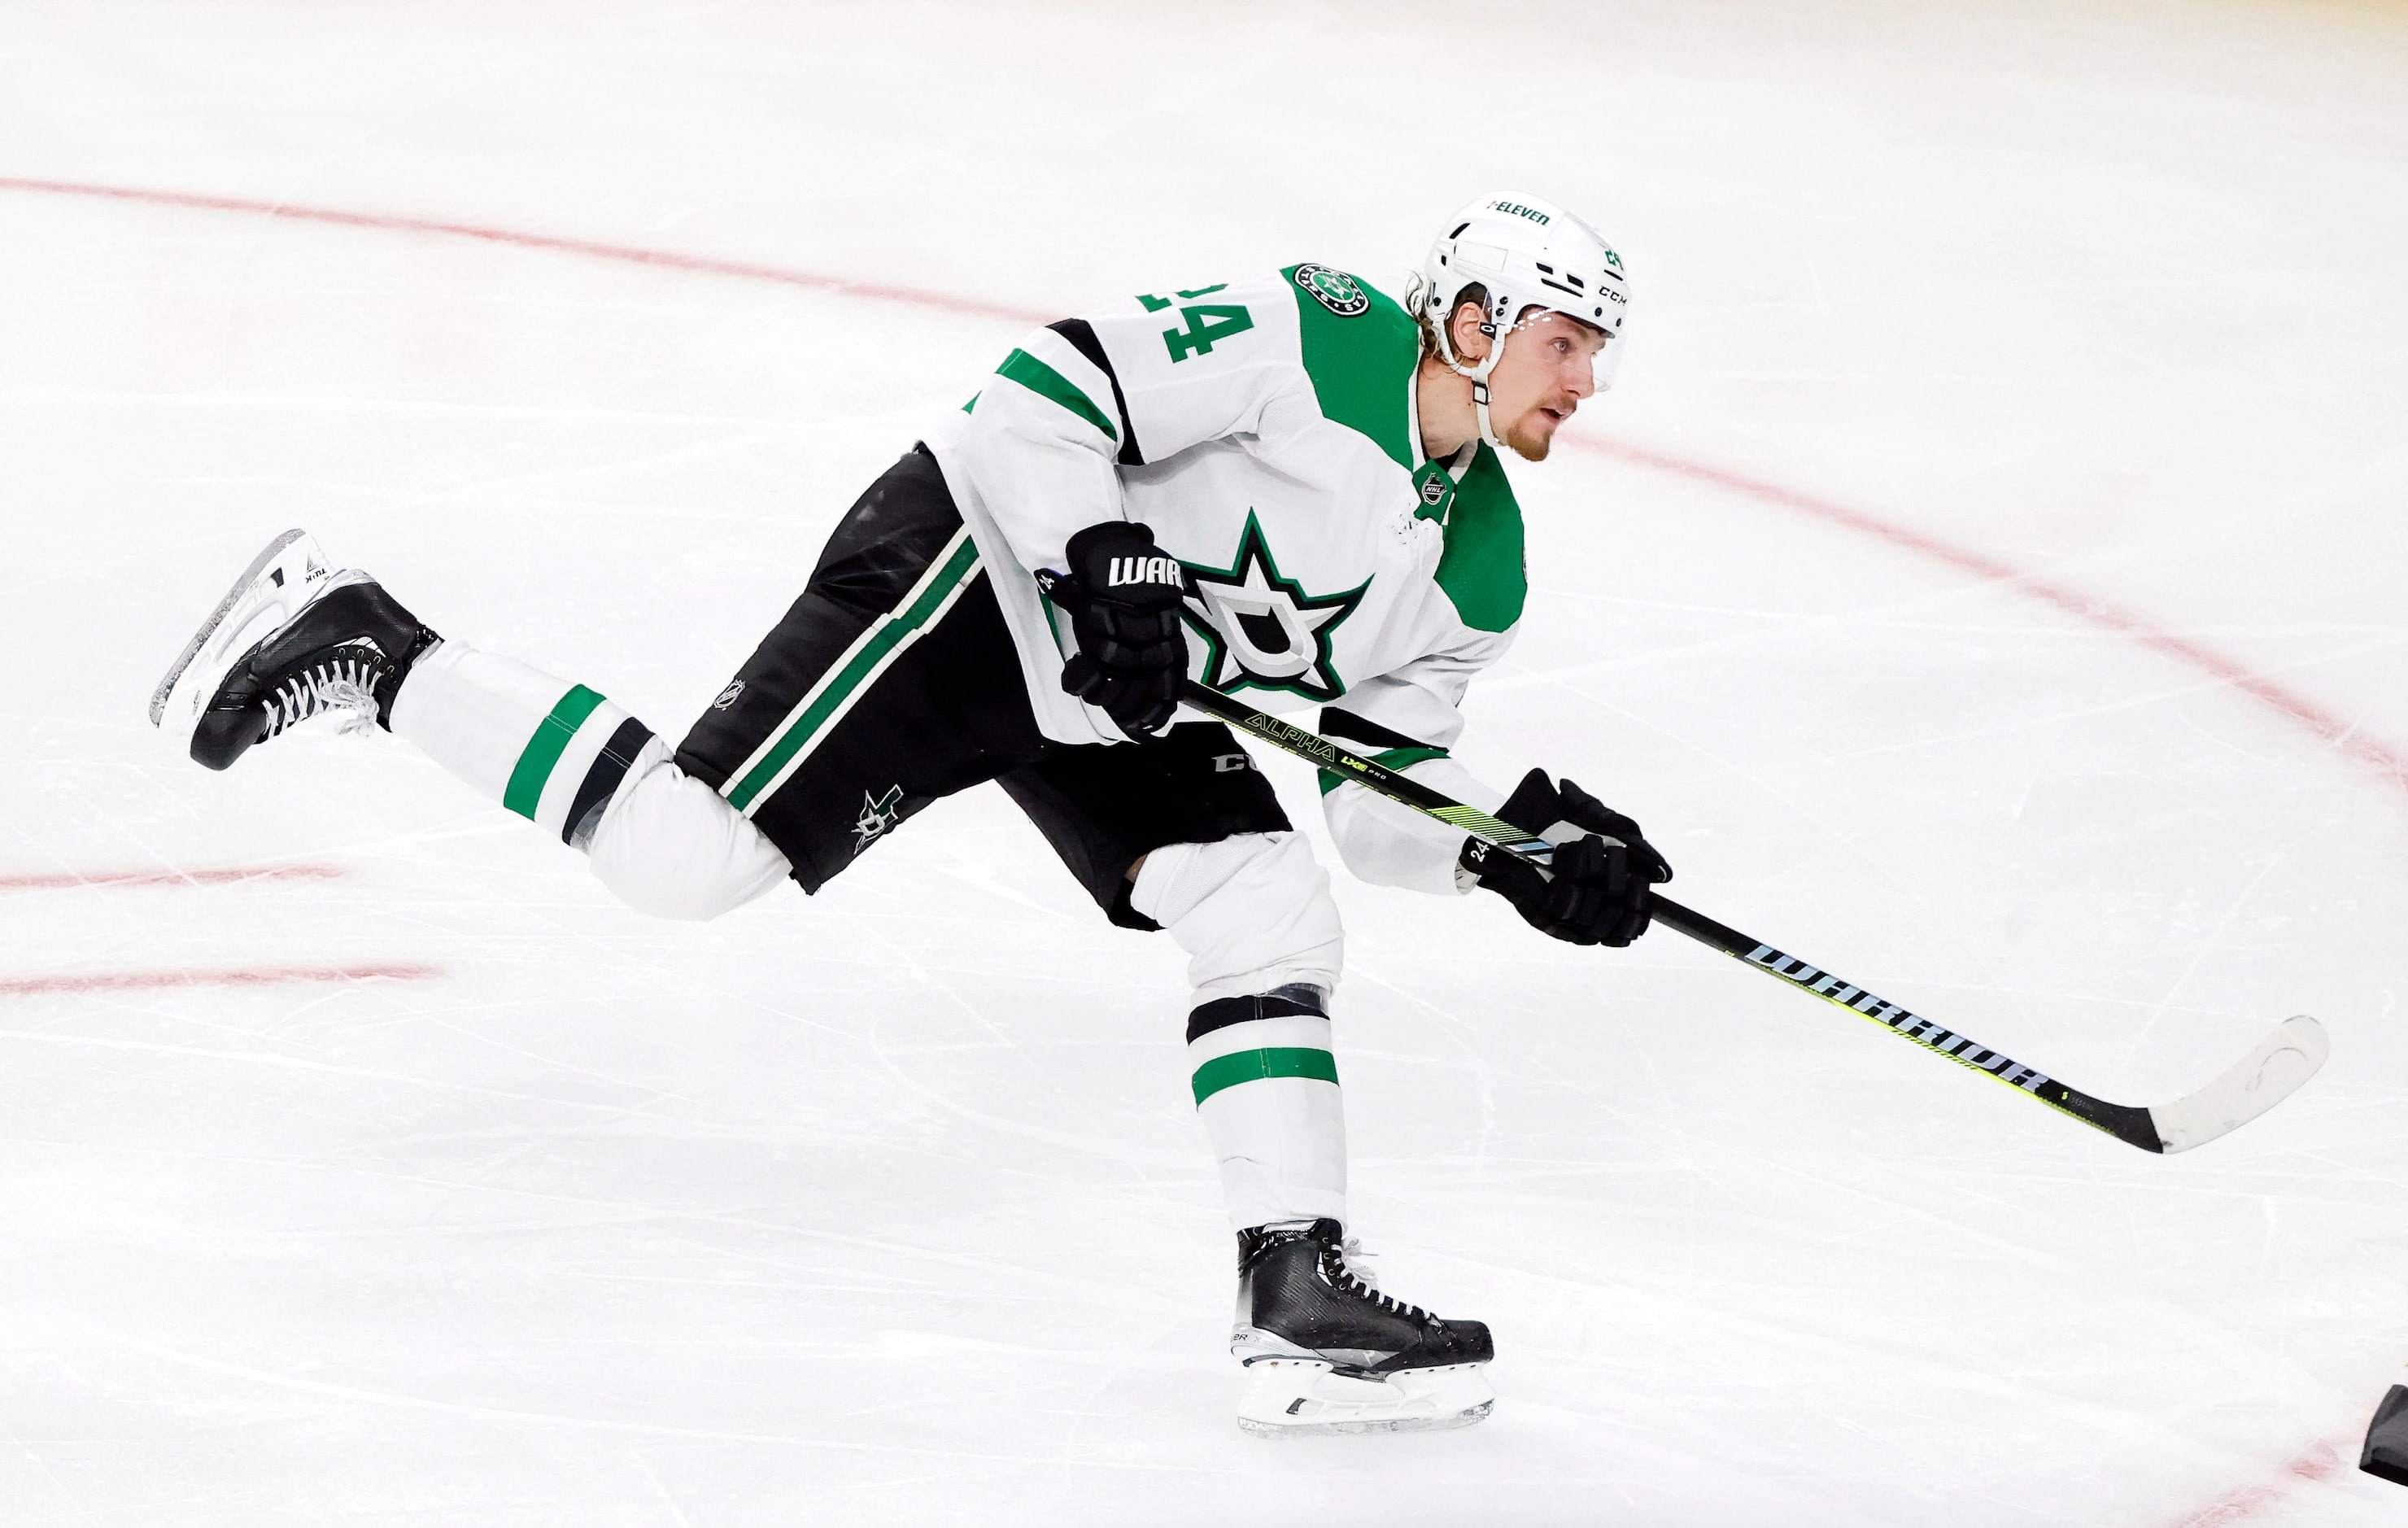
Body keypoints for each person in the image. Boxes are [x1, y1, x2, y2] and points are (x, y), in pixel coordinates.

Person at [150, 191, 1673, 1437]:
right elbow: (1040, 397)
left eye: (1594, 352)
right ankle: (369, 641)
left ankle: (1295, 1288)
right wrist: (1105, 556)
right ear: (1470, 324)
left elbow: (1375, 808)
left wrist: (1522, 852)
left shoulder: (1481, 566)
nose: (1584, 382)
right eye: (1563, 342)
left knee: (1269, 899)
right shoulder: (1317, 329)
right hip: (980, 571)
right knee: (688, 861)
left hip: (1103, 695)